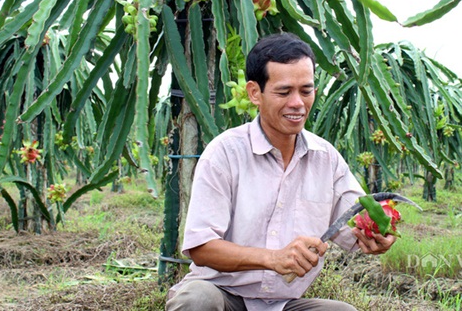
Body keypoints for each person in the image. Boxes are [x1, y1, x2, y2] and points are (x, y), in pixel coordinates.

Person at [166, 33, 396, 311]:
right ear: (254, 93)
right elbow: (201, 248)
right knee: (197, 300)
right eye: (284, 92)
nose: (298, 103)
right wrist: (273, 258)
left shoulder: (327, 161)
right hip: (223, 296)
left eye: (306, 90)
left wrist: (377, 235)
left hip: (284, 305)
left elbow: (358, 226)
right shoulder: (225, 153)